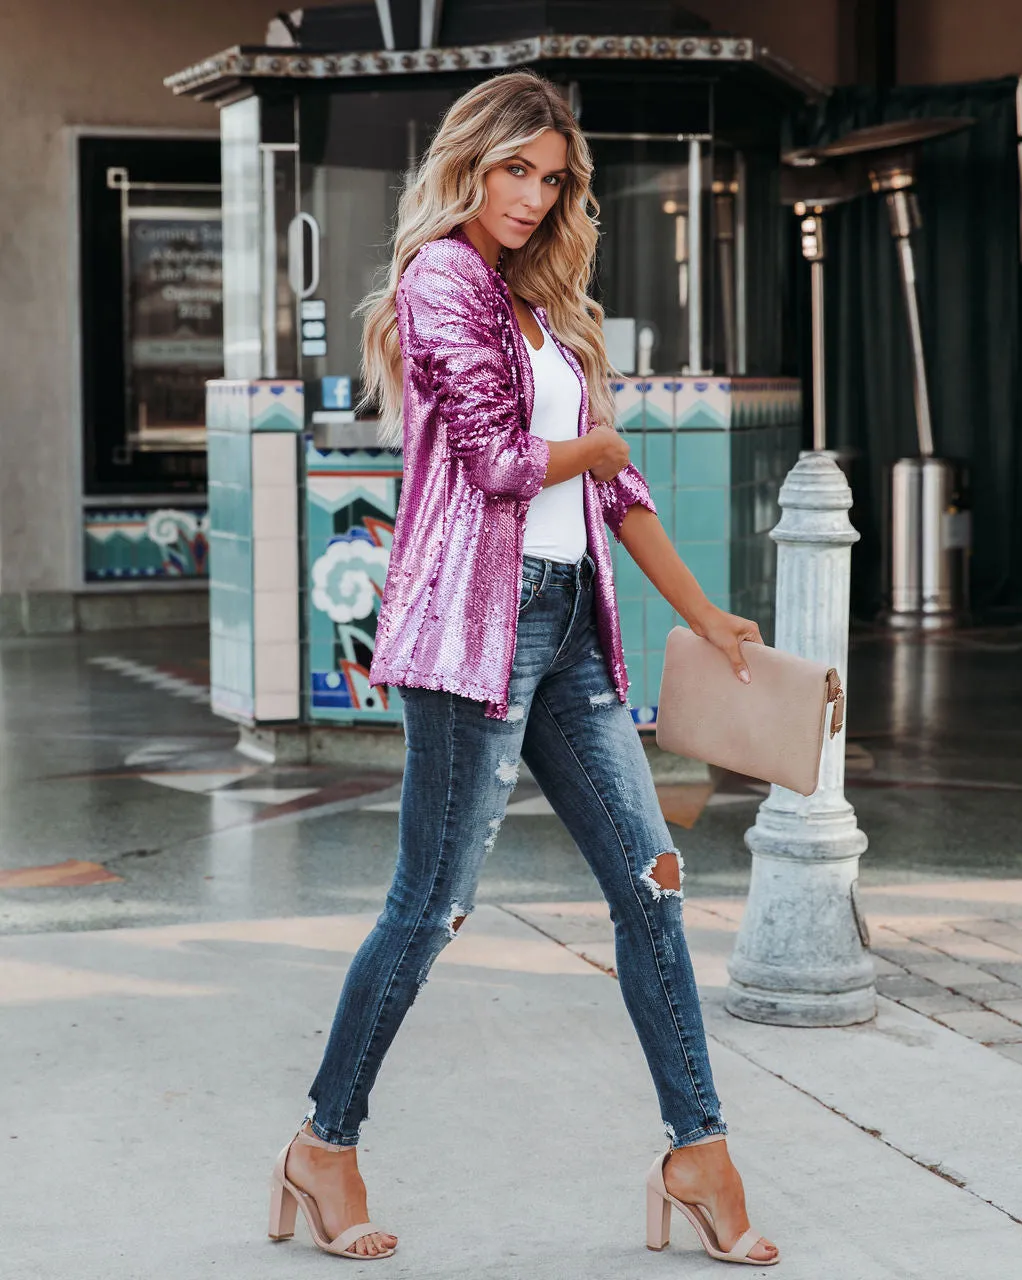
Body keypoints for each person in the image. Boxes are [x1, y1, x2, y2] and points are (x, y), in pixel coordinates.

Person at [268, 69, 778, 1267]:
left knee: (650, 883)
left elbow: (620, 488)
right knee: (431, 905)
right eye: (517, 172)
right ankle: (324, 1140)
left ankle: (697, 1147)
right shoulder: (441, 276)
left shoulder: (542, 304)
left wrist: (707, 618)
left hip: (571, 639)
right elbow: (504, 461)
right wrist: (597, 438)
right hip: (472, 643)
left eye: (552, 181)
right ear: (471, 163)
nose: (535, 198)